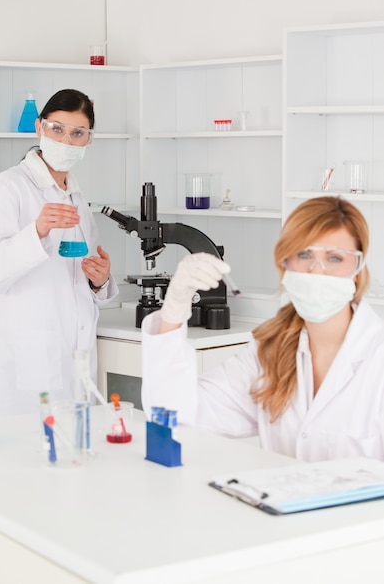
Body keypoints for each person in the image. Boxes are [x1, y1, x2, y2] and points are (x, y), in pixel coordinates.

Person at [141, 196, 384, 462]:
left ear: (358, 270)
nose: (317, 271)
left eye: (335, 258)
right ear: (285, 264)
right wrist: (174, 310)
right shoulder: (270, 351)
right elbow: (174, 415)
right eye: (304, 255)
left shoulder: (377, 355)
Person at [0, 89, 118, 417]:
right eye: (57, 129)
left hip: (74, 356)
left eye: (77, 133)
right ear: (39, 127)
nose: (66, 140)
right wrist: (35, 232)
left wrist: (98, 280)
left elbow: (76, 275)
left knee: (76, 452)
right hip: (28, 357)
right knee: (26, 459)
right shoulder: (10, 187)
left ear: (88, 140)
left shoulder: (76, 196)